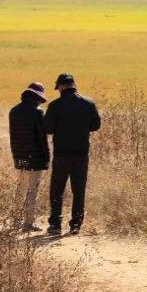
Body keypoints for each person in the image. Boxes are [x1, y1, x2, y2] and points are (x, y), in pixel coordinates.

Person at [44, 73, 101, 236]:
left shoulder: (55, 105)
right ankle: (76, 224)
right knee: (79, 189)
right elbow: (96, 125)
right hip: (81, 153)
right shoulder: (88, 103)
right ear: (74, 84)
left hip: (62, 153)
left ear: (60, 86)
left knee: (57, 189)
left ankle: (55, 224)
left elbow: (47, 128)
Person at [8, 82, 50, 232]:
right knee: (32, 190)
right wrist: (46, 158)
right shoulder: (37, 113)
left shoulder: (13, 111)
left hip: (18, 155)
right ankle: (28, 223)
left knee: (19, 189)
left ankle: (15, 221)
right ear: (37, 98)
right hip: (35, 157)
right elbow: (42, 139)